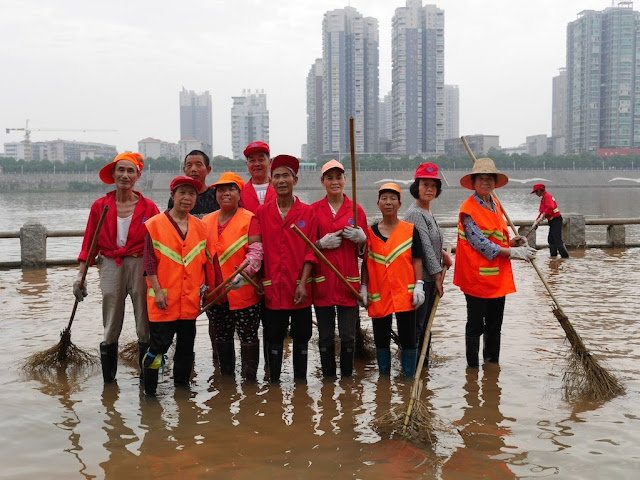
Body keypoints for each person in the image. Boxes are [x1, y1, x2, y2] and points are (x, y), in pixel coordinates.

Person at [74, 152, 159, 383]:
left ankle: (147, 380)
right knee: (111, 318)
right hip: (111, 263)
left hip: (140, 262)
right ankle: (109, 383)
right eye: (120, 170)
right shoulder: (100, 206)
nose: (125, 175)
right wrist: (80, 275)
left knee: (144, 317)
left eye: (130, 171)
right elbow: (89, 244)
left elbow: (159, 244)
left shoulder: (149, 207)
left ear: (137, 176)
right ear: (113, 174)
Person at [453, 158, 536, 368]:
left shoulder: (496, 204)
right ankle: (472, 368)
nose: (485, 182)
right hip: (476, 277)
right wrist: (514, 253)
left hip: (497, 278)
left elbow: (496, 237)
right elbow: (480, 243)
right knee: (475, 326)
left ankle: (491, 366)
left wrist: (513, 242)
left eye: (489, 178)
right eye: (481, 179)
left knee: (494, 326)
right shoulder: (468, 209)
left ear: (495, 182)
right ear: (473, 182)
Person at [141, 176, 211, 396]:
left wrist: (206, 290)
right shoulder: (154, 225)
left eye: (192, 194)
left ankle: (182, 390)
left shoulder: (200, 227)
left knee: (186, 349)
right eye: (182, 193)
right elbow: (149, 263)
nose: (187, 198)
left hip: (189, 301)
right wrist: (158, 292)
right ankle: (149, 390)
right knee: (158, 348)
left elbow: (206, 261)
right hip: (164, 300)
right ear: (172, 196)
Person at [256, 154, 317, 383]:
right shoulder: (262, 213)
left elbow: (311, 251)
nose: (281, 180)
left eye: (286, 176)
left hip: (299, 287)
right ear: (271, 181)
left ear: (295, 180)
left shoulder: (308, 213)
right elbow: (257, 250)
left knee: (302, 336)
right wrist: (258, 280)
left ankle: (301, 385)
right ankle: (274, 384)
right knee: (273, 336)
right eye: (277, 176)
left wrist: (303, 283)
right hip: (273, 288)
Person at [360, 183, 425, 379]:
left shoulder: (410, 230)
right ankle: (384, 376)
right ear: (378, 204)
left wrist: (419, 285)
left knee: (408, 338)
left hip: (405, 293)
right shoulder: (369, 233)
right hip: (379, 293)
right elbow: (365, 262)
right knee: (381, 339)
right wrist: (363, 287)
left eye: (393, 199)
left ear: (399, 204)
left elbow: (417, 260)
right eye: (384, 199)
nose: (388, 203)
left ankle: (408, 379)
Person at [202, 172, 263, 380]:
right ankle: (226, 380)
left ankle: (249, 381)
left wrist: (245, 274)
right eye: (220, 189)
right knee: (222, 337)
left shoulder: (250, 219)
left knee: (248, 337)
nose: (225, 193)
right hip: (215, 295)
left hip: (243, 293)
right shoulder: (206, 220)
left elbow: (256, 252)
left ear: (239, 193)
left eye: (230, 189)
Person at [311, 159, 368, 378]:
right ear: (322, 182)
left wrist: (362, 240)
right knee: (325, 336)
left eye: (338, 177)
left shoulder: (356, 209)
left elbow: (365, 254)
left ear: (345, 180)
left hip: (348, 282)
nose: (334, 182)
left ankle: (347, 382)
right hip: (323, 282)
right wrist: (320, 244)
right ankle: (327, 380)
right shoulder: (314, 210)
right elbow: (307, 248)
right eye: (330, 178)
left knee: (348, 336)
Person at [404, 163, 452, 364]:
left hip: (429, 276)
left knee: (425, 326)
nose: (430, 189)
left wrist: (442, 254)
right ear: (417, 187)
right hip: (421, 280)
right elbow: (422, 247)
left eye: (433, 185)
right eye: (425, 184)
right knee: (419, 326)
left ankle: (423, 369)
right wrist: (437, 275)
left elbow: (429, 241)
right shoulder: (415, 213)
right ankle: (414, 367)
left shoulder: (427, 212)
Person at [168, 150, 219, 218]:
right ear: (184, 170)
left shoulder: (216, 196)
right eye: (189, 165)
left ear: (208, 169)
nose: (193, 169)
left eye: (198, 165)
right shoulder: (177, 197)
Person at [531, 183, 569, 258]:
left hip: (556, 220)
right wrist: (537, 222)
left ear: (539, 190)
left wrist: (542, 216)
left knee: (557, 240)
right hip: (552, 221)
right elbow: (542, 212)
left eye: (536, 192)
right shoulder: (544, 198)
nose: (535, 194)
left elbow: (550, 207)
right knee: (551, 240)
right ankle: (553, 257)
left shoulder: (547, 196)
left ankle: (565, 257)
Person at [240, 141, 276, 214]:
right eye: (252, 160)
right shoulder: (239, 193)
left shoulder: (280, 190)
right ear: (247, 164)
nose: (256, 164)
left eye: (261, 160)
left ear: (270, 162)